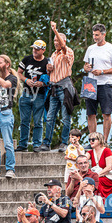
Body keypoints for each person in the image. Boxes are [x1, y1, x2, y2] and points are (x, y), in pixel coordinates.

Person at [82, 23, 112, 140]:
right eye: (94, 35)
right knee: (90, 114)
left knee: (106, 114)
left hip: (105, 83)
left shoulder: (111, 48)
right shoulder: (90, 48)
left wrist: (103, 72)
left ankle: (104, 141)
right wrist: (86, 68)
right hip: (90, 83)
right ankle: (92, 139)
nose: (95, 37)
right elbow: (85, 65)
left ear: (104, 35)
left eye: (97, 35)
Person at [42, 21, 75, 151]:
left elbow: (64, 49)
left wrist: (55, 30)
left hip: (64, 88)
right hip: (54, 88)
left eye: (58, 40)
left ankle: (64, 142)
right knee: (50, 117)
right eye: (54, 40)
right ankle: (47, 142)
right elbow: (50, 72)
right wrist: (48, 69)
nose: (56, 42)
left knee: (66, 117)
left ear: (63, 41)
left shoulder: (68, 52)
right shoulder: (53, 54)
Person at [16, 39, 50, 152]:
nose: (34, 51)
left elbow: (51, 78)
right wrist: (26, 80)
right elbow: (18, 72)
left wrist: (43, 83)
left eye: (37, 49)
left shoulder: (47, 62)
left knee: (38, 121)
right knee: (24, 120)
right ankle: (23, 144)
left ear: (43, 50)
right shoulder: (27, 59)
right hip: (26, 93)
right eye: (34, 48)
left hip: (39, 95)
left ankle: (36, 144)